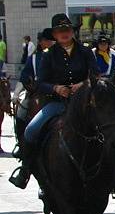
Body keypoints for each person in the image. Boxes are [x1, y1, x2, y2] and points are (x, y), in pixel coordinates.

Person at [9, 15, 99, 189]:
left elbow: (96, 75)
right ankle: (25, 170)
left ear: (73, 32)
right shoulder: (48, 55)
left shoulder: (86, 52)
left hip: (85, 104)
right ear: (55, 35)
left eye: (67, 30)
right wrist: (56, 88)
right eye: (60, 31)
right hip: (58, 104)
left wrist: (83, 84)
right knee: (31, 130)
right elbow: (41, 83)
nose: (64, 34)